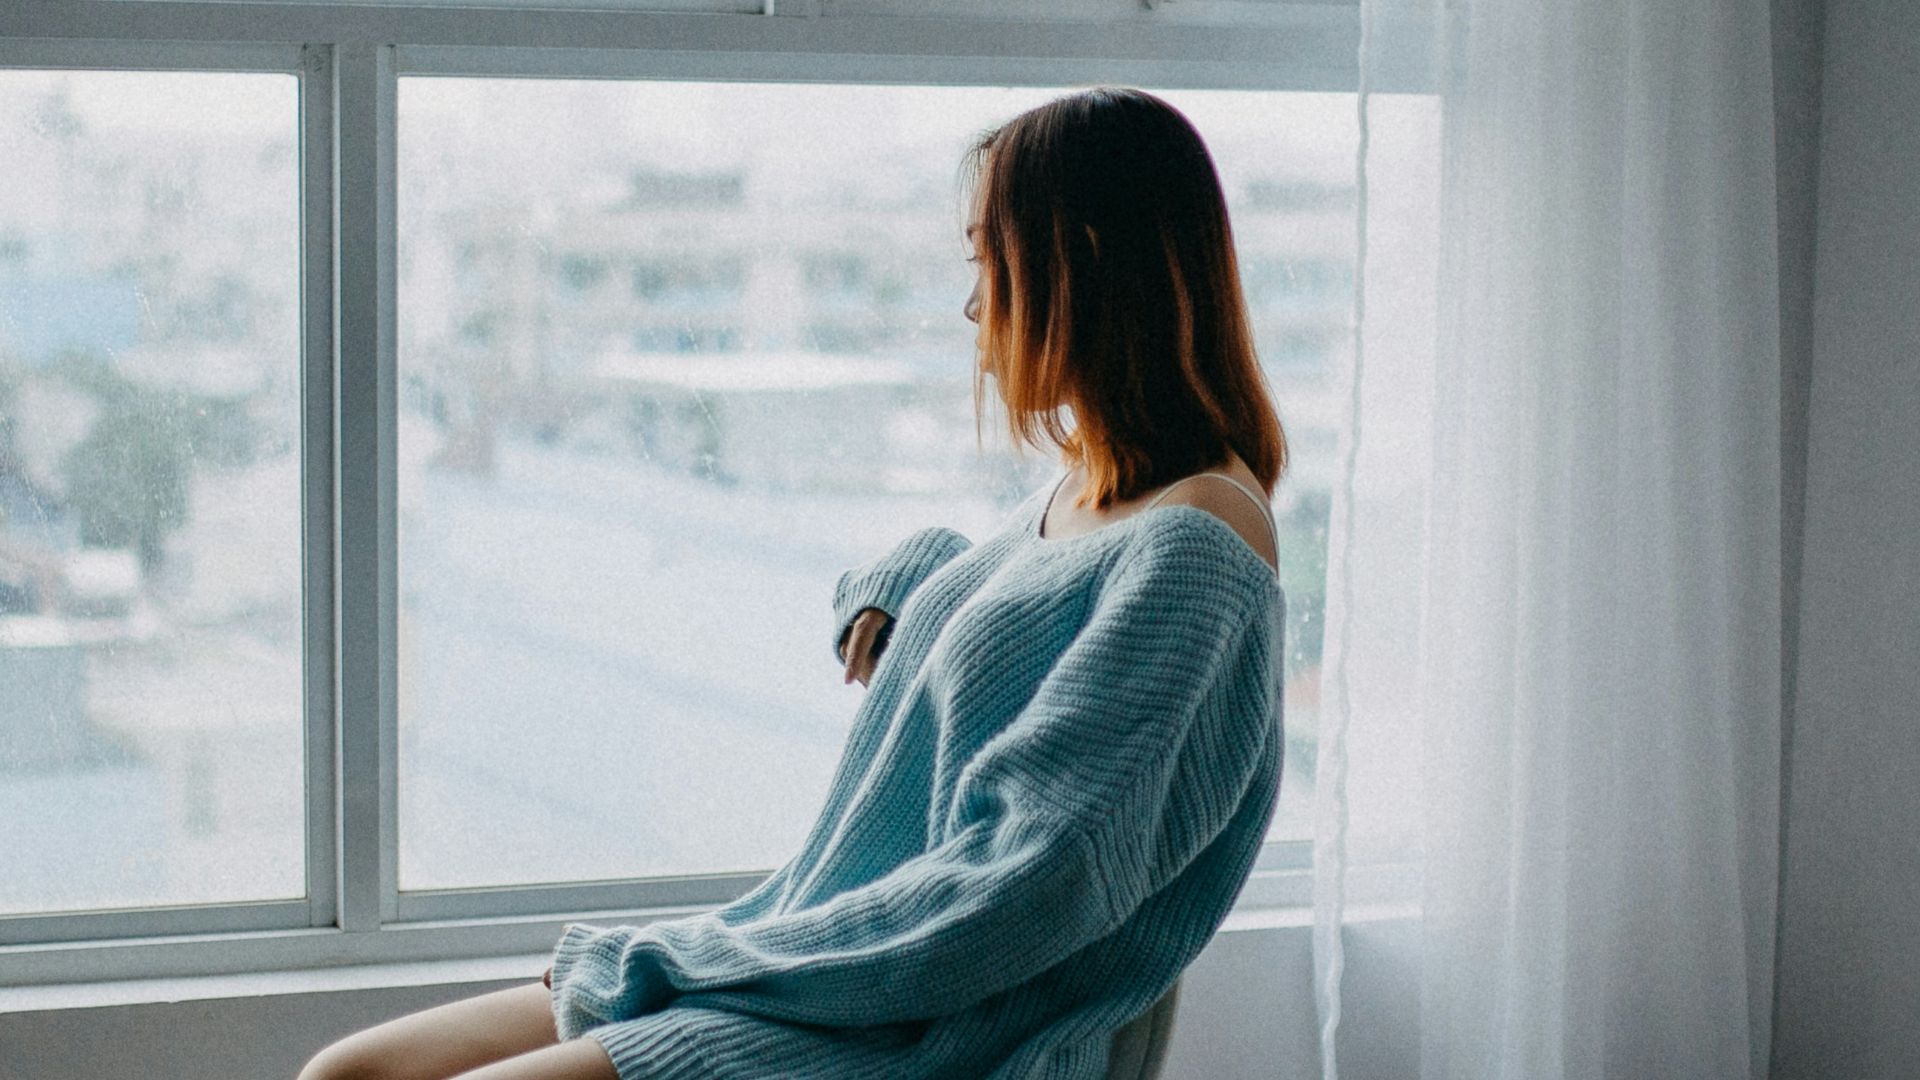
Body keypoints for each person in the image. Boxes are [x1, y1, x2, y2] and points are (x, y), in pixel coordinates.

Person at [299, 84, 1287, 1080]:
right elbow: (1027, 603)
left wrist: (686, 968)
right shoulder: (1096, 485)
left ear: (1082, 264)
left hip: (925, 1036)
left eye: (992, 261)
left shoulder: (1197, 549)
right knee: (347, 1074)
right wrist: (907, 578)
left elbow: (1014, 892)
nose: (974, 305)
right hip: (822, 966)